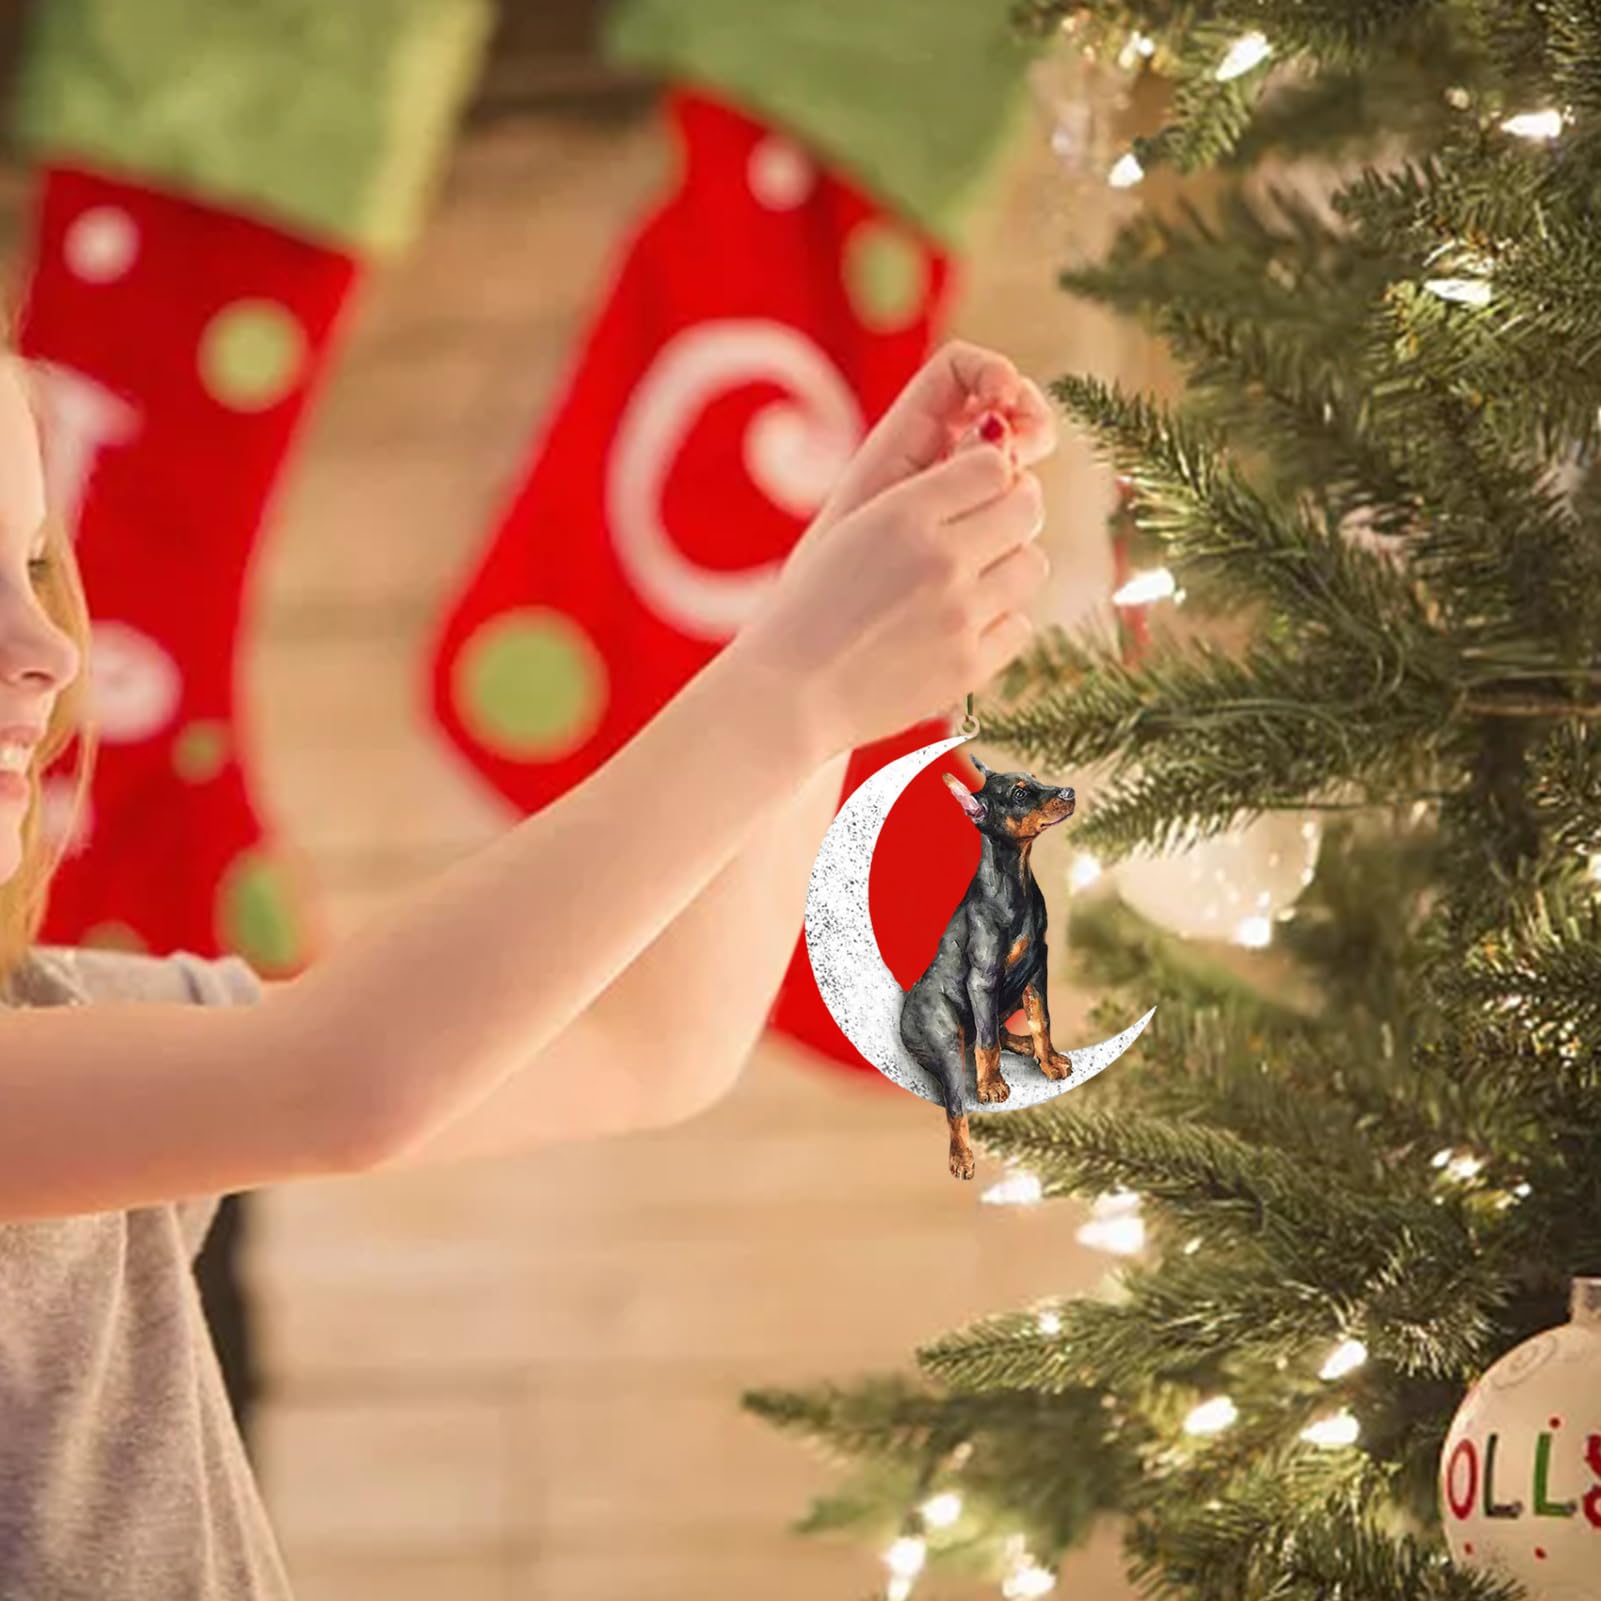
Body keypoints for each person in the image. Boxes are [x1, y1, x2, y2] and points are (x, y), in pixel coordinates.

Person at [0, 324, 1056, 1596]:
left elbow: (657, 1044)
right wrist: (795, 683)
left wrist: (813, 619)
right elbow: (347, 1079)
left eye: (37, 564)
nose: (53, 655)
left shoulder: (71, 1014)